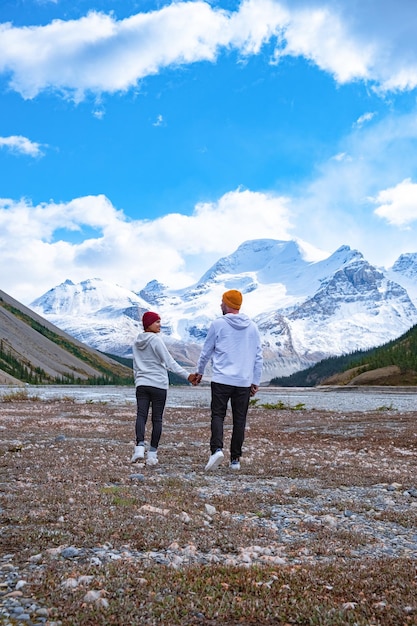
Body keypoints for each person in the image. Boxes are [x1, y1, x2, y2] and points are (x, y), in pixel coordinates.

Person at [195, 289, 263, 471]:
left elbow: (206, 352)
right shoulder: (253, 327)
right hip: (243, 381)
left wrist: (199, 372)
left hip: (221, 379)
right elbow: (258, 357)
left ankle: (217, 450)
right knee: (239, 420)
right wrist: (255, 381)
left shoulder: (218, 324)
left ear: (227, 304)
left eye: (222, 302)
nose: (220, 305)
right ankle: (235, 460)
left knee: (218, 415)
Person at [131, 311, 196, 466]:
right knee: (157, 419)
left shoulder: (136, 342)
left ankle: (139, 447)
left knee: (141, 416)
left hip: (142, 384)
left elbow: (135, 366)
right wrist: (188, 376)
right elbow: (169, 362)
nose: (160, 325)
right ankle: (152, 455)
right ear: (148, 324)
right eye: (157, 322)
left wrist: (138, 381)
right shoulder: (156, 340)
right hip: (158, 384)